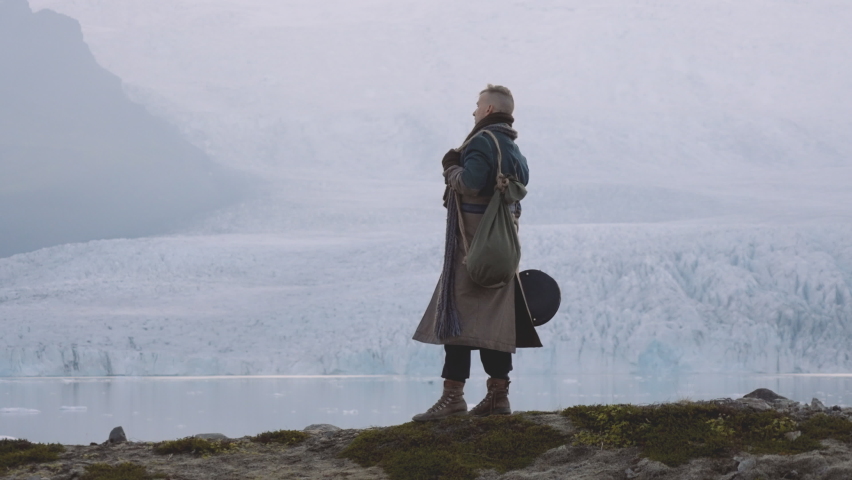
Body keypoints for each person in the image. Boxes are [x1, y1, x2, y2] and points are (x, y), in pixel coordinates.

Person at [411, 84, 542, 422]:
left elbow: (470, 183)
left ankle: (453, 398)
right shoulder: (513, 148)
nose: (473, 111)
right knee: (495, 323)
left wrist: (450, 167)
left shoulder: (482, 141)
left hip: (472, 246)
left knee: (457, 317)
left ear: (487, 111)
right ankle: (498, 396)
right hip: (501, 248)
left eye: (477, 105)